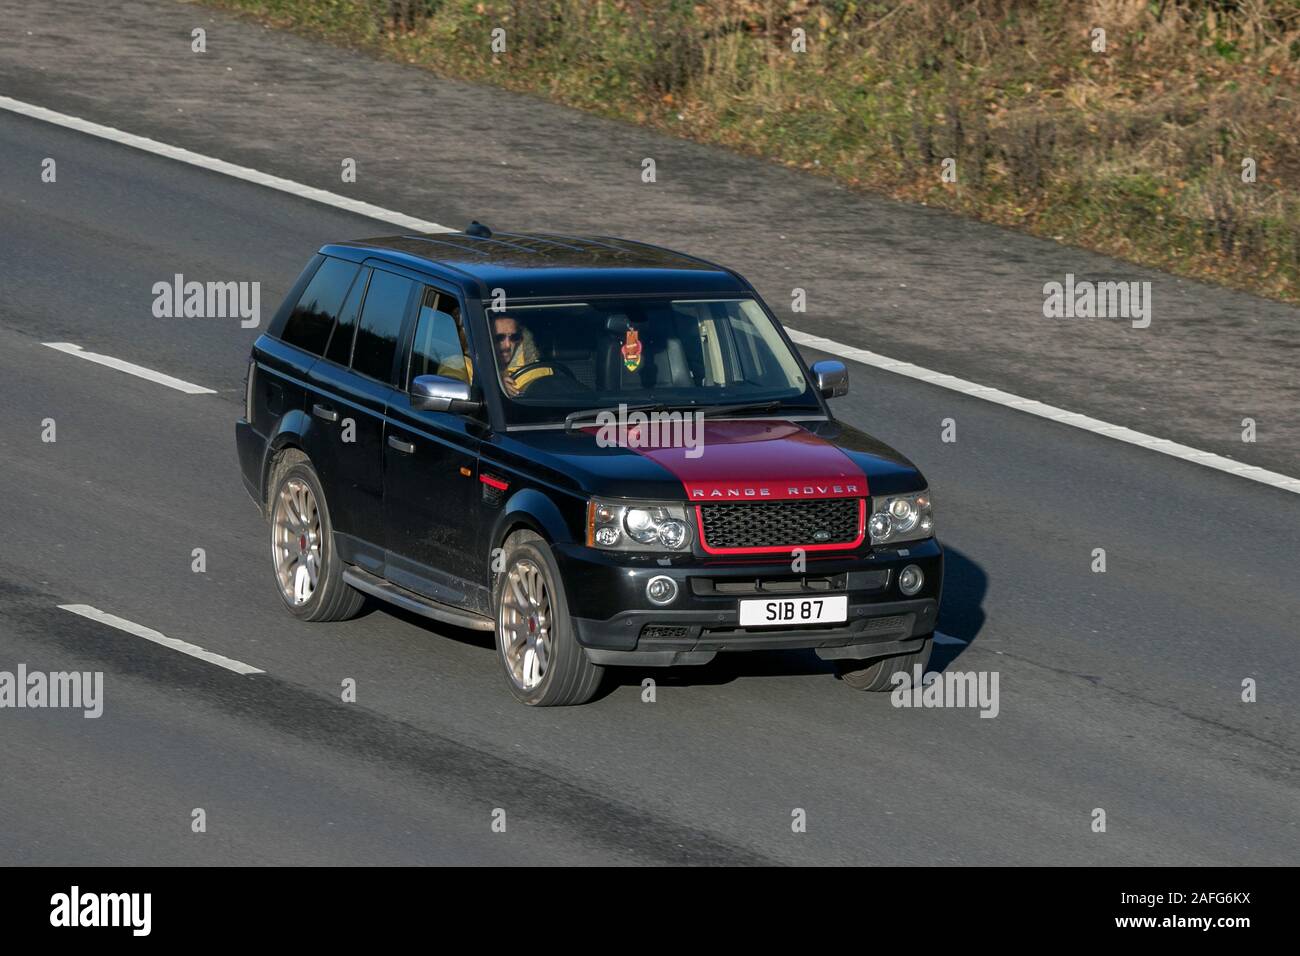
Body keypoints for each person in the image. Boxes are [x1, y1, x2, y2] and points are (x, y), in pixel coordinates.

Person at [491, 314, 551, 397]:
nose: (508, 345)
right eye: (499, 338)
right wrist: (493, 386)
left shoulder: (539, 372)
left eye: (514, 337)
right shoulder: (471, 371)